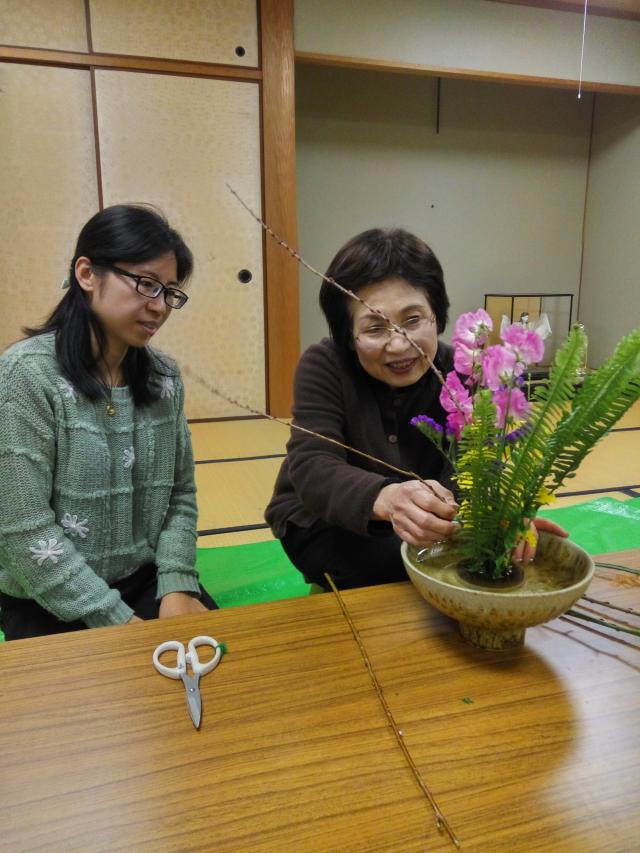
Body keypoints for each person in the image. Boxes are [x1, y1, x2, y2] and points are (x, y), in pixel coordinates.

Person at [265, 227, 564, 591]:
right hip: (328, 520)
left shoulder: (466, 372)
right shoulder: (325, 365)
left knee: (483, 551)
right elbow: (313, 465)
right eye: (375, 328)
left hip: (437, 523)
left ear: (437, 315)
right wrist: (387, 498)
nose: (399, 344)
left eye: (412, 320)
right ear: (348, 336)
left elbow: (483, 463)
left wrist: (503, 515)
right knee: (394, 560)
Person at [0, 204, 216, 640]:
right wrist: (118, 622)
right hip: (47, 592)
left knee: (228, 668)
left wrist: (177, 583)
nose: (160, 307)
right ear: (86, 274)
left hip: (146, 579)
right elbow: (22, 528)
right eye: (146, 284)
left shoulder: (163, 377)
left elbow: (180, 493)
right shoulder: (26, 376)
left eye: (170, 292)